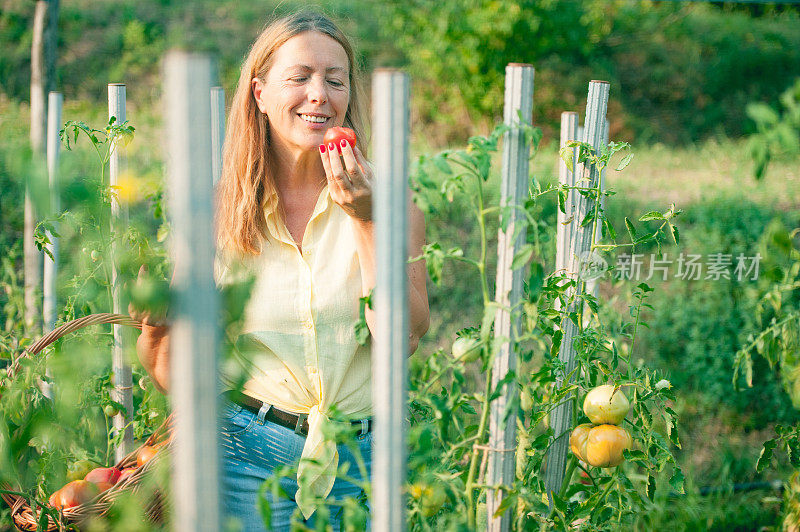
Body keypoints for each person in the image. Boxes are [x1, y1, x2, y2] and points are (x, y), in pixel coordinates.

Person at [132, 10, 430, 531]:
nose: (320, 95)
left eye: (335, 81)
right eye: (300, 78)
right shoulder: (215, 211)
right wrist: (155, 320)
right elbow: (170, 374)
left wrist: (366, 221)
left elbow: (400, 339)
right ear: (259, 92)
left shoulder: (392, 201)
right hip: (244, 453)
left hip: (361, 458)